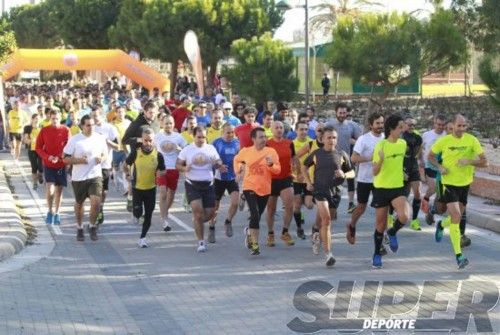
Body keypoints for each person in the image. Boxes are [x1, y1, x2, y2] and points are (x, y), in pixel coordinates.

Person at [428, 114, 487, 269]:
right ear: (452, 126)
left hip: (464, 185)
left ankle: (442, 225)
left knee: (457, 217)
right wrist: (439, 167)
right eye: (459, 126)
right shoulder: (444, 141)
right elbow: (430, 156)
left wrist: (469, 161)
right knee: (456, 215)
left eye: (464, 126)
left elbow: (484, 162)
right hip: (448, 184)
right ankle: (459, 256)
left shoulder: (472, 140)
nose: (461, 129)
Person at [302, 126, 354, 266]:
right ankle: (328, 254)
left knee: (323, 220)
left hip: (335, 192)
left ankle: (316, 232)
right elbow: (304, 167)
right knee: (327, 220)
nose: (332, 140)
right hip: (320, 190)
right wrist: (308, 182)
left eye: (334, 137)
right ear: (323, 139)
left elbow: (352, 173)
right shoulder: (316, 154)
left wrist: (344, 174)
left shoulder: (342, 154)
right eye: (329, 137)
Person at [176, 127, 226, 252]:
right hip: (192, 184)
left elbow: (217, 160)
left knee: (210, 213)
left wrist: (219, 165)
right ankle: (201, 242)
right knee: (198, 213)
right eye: (199, 137)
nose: (201, 139)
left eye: (203, 137)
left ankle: (197, 222)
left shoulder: (210, 148)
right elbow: (178, 164)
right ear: (193, 136)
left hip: (208, 184)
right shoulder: (187, 149)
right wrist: (184, 169)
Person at [371, 114, 410, 269]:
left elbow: (399, 162)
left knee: (404, 216)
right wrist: (381, 159)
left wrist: (403, 172)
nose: (403, 129)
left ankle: (392, 232)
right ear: (391, 129)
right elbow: (374, 171)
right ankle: (376, 253)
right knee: (380, 225)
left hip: (397, 187)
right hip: (381, 188)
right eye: (400, 127)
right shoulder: (381, 145)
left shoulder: (403, 144)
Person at [234, 127, 281, 255]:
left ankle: (249, 232)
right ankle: (255, 244)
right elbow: (237, 160)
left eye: (265, 137)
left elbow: (278, 170)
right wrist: (238, 171)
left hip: (265, 188)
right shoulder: (246, 151)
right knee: (254, 214)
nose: (264, 139)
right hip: (249, 186)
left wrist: (271, 165)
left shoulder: (271, 151)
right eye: (261, 137)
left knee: (257, 216)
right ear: (253, 139)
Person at [63, 115, 108, 241]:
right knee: (79, 204)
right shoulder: (75, 140)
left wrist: (102, 158)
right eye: (88, 125)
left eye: (93, 125)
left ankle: (92, 226)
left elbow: (104, 154)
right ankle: (79, 227)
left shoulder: (100, 138)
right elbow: (65, 158)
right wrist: (79, 160)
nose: (91, 127)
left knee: (96, 202)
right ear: (82, 126)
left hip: (95, 175)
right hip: (79, 177)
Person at [346, 112, 384, 245]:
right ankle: (352, 225)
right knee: (362, 207)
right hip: (364, 179)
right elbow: (353, 158)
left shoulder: (385, 139)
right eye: (377, 123)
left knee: (382, 208)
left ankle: (380, 235)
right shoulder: (363, 139)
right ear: (371, 125)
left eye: (381, 123)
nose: (380, 126)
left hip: (380, 180)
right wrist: (370, 158)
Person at [125, 127, 165, 248]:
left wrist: (159, 174)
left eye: (150, 140)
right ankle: (133, 207)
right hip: (137, 188)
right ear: (142, 140)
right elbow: (125, 165)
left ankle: (143, 238)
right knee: (138, 213)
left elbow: (163, 170)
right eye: (146, 140)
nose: (148, 143)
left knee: (149, 214)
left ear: (154, 140)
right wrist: (127, 175)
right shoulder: (136, 153)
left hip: (151, 189)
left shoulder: (158, 155)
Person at [265, 121, 298, 247]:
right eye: (276, 128)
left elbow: (294, 158)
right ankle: (270, 233)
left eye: (281, 128)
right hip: (271, 179)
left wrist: (297, 170)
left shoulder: (289, 143)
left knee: (289, 206)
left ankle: (285, 232)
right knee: (271, 209)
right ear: (272, 130)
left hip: (286, 178)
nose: (279, 130)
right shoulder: (267, 143)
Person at [36, 110, 71, 225]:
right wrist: (48, 157)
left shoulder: (66, 130)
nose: (55, 121)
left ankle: (57, 212)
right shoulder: (44, 130)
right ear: (49, 118)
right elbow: (38, 148)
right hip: (49, 165)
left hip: (61, 165)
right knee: (50, 189)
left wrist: (62, 157)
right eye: (53, 119)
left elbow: (69, 147)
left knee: (59, 191)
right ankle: (50, 211)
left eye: (57, 118)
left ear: (60, 118)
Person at [326, 103, 361, 213]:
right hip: (333, 158)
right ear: (336, 113)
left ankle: (351, 203)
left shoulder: (352, 125)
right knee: (334, 183)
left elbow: (360, 141)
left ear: (347, 113)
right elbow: (322, 139)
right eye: (340, 113)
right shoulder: (329, 124)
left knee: (351, 180)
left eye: (344, 113)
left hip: (347, 158)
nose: (342, 115)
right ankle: (332, 203)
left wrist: (354, 147)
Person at [155, 114, 187, 231]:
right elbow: (150, 149)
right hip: (161, 168)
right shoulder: (157, 136)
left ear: (173, 124)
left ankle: (165, 211)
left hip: (174, 169)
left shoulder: (178, 137)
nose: (168, 125)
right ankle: (164, 220)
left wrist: (181, 150)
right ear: (162, 124)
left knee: (171, 194)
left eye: (170, 123)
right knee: (163, 192)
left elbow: (188, 149)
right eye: (166, 123)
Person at [210, 123, 240, 241]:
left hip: (232, 178)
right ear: (222, 132)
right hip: (219, 178)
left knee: (235, 202)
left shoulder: (237, 143)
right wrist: (218, 166)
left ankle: (228, 221)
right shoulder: (216, 143)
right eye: (228, 132)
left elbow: (241, 159)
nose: (230, 135)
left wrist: (240, 171)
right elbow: (211, 159)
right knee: (215, 206)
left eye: (232, 132)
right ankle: (212, 227)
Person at [91, 106, 119, 225]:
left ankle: (100, 207)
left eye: (96, 115)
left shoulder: (110, 128)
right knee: (93, 190)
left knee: (103, 190)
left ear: (102, 116)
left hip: (105, 164)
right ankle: (95, 207)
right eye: (92, 115)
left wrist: (107, 141)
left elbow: (118, 147)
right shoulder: (89, 127)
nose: (94, 118)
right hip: (90, 164)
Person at [291, 121, 314, 240]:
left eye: (306, 129)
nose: (304, 132)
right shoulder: (292, 144)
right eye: (301, 129)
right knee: (297, 205)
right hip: (296, 179)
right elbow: (290, 161)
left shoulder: (311, 142)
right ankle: (299, 228)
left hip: (309, 179)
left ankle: (303, 204)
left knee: (309, 205)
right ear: (296, 130)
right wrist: (294, 173)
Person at [401, 116, 423, 231]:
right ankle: (390, 216)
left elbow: (418, 152)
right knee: (401, 195)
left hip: (413, 167)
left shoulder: (418, 137)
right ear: (404, 124)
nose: (412, 127)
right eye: (410, 125)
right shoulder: (399, 137)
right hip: (402, 169)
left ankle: (414, 220)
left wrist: (419, 161)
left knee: (418, 193)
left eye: (414, 125)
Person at [421, 114, 446, 214]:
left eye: (442, 125)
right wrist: (420, 160)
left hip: (442, 166)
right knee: (434, 187)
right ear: (434, 123)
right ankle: (426, 199)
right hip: (429, 164)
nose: (440, 127)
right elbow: (420, 148)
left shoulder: (447, 135)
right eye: (438, 124)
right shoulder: (427, 135)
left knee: (440, 192)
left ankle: (433, 210)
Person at [23, 114, 43, 190]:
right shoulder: (28, 128)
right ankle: (35, 183)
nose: (37, 120)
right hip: (32, 150)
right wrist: (31, 141)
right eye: (35, 118)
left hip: (41, 150)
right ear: (32, 119)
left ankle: (40, 175)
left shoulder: (42, 128)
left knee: (41, 167)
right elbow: (25, 140)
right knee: (34, 167)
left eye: (38, 118)